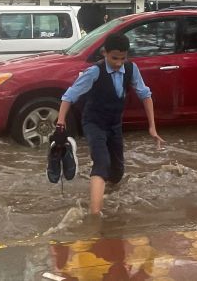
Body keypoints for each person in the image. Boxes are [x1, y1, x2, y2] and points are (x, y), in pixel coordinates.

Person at [56, 33, 165, 216]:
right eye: (114, 58)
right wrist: (60, 123)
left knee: (117, 171)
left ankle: (104, 192)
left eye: (123, 58)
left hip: (114, 124)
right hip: (94, 123)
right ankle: (95, 215)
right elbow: (69, 96)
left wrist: (152, 127)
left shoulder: (131, 69)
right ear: (104, 53)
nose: (119, 63)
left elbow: (145, 95)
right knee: (102, 162)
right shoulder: (94, 72)